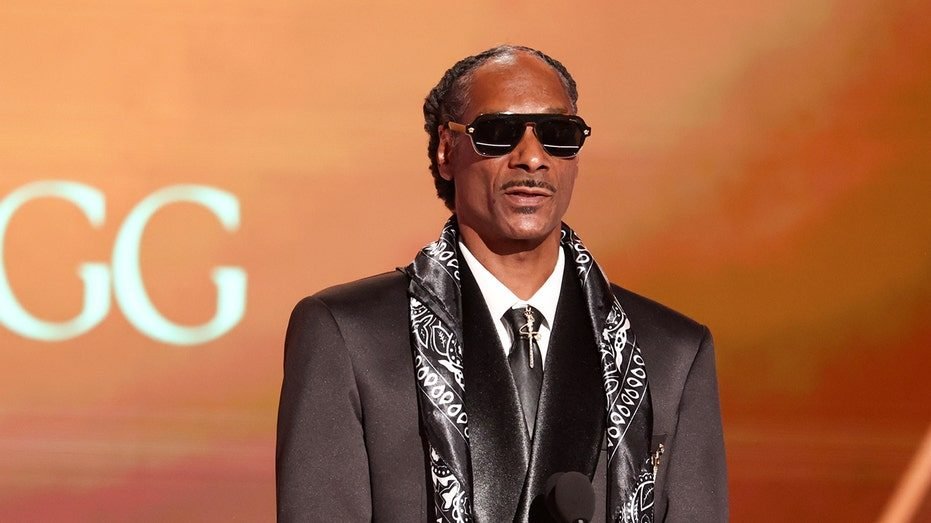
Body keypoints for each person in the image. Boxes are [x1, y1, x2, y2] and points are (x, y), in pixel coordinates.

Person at [276, 45, 727, 522]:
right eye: (498, 133)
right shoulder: (349, 337)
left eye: (558, 135)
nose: (532, 158)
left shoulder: (671, 353)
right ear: (446, 150)